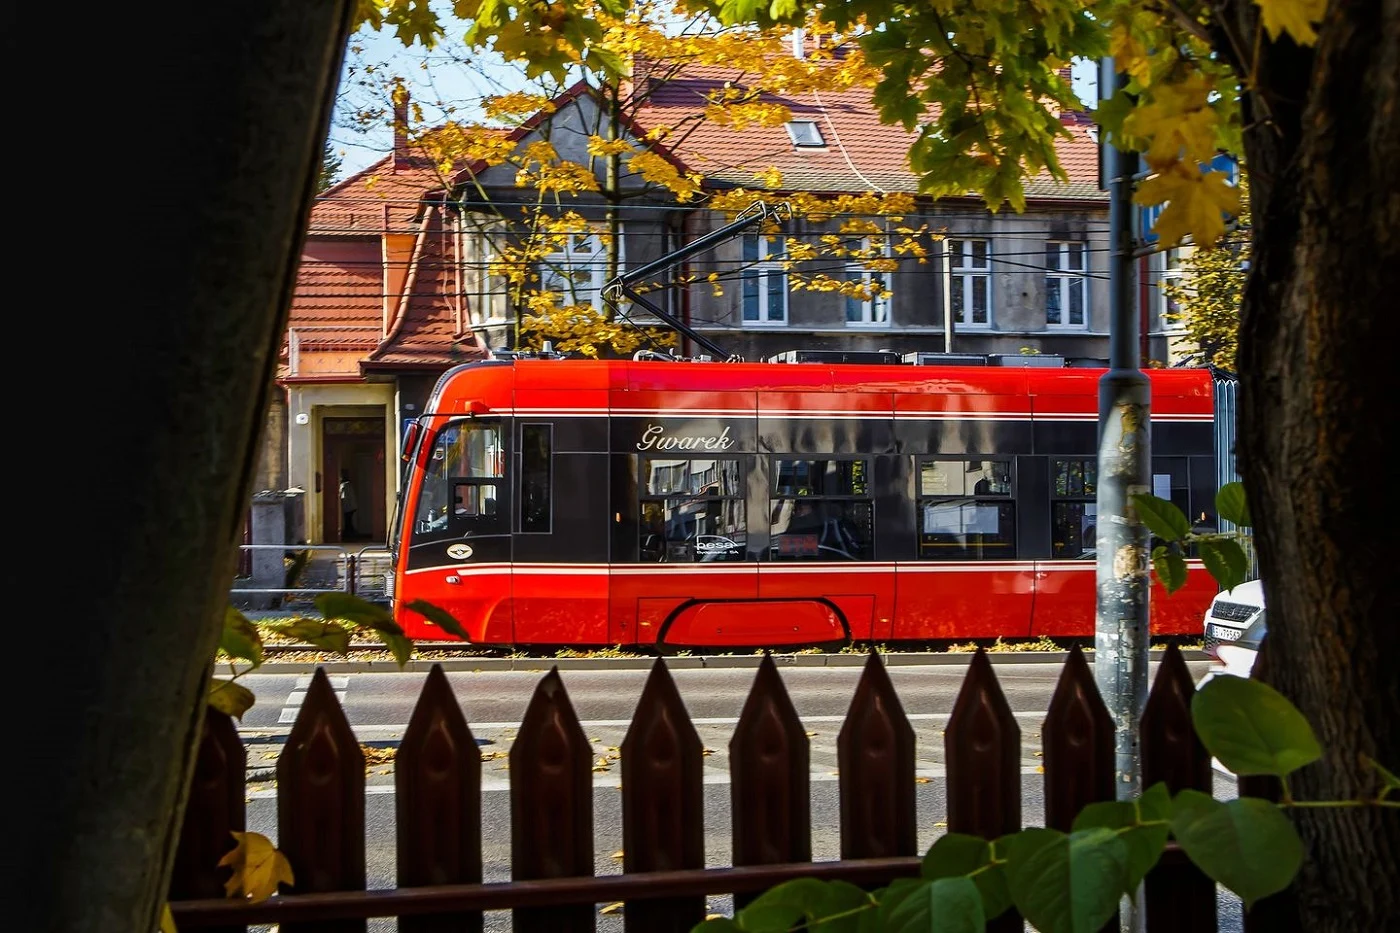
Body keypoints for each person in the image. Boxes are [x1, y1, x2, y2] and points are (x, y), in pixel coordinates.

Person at [339, 469, 359, 539]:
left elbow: (343, 497)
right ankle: (351, 535)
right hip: (351, 506)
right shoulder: (348, 484)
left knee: (348, 522)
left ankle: (350, 536)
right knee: (349, 522)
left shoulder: (344, 485)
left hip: (348, 507)